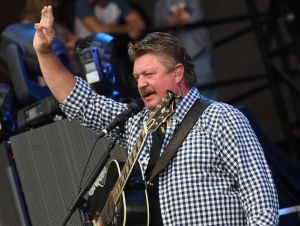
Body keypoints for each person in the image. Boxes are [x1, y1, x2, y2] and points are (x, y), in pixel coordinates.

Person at [33, 5, 279, 225]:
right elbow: (82, 103)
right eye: (137, 77)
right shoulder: (136, 123)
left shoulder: (220, 117)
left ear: (178, 73)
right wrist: (44, 54)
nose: (140, 84)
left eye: (149, 74)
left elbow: (261, 202)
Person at [153, 0, 217, 99]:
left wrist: (180, 18)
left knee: (206, 90)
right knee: (184, 95)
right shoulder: (160, 3)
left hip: (199, 50)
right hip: (175, 57)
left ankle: (212, 114)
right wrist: (170, 22)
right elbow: (158, 30)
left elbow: (198, 17)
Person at [74, 0, 145, 41]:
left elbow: (140, 24)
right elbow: (99, 30)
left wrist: (134, 29)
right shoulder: (83, 3)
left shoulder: (117, 2)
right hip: (88, 48)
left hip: (112, 45)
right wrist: (129, 28)